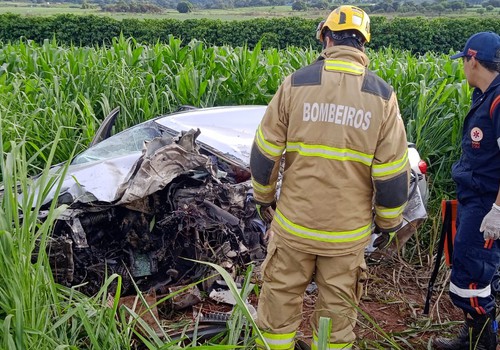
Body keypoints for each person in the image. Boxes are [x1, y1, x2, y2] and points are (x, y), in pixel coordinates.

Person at [249, 5, 410, 350]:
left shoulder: (295, 83)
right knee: (337, 319)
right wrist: (387, 221)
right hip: (346, 234)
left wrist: (264, 198)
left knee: (279, 305)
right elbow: (393, 172)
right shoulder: (382, 97)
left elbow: (265, 152)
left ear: (325, 37)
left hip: (294, 226)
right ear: (364, 45)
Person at [432, 32, 500, 350]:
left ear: (473, 61)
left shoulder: (498, 102)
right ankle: (476, 336)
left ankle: (480, 343)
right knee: (475, 269)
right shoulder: (485, 96)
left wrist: (497, 211)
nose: (463, 68)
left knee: (471, 273)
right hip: (476, 197)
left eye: (464, 61)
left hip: (488, 203)